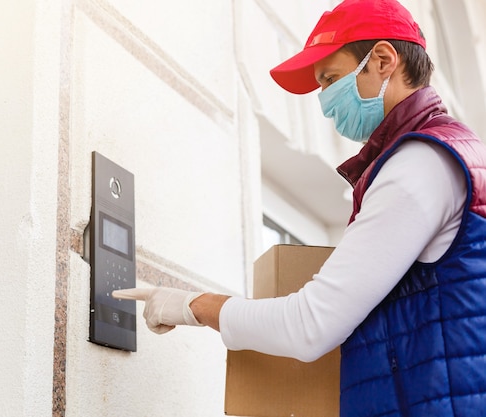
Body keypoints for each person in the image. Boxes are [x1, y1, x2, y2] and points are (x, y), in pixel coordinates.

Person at [113, 0, 486, 415]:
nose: (325, 100)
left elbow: (311, 325)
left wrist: (192, 305)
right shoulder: (455, 152)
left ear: (383, 60)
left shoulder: (418, 165)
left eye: (330, 79)